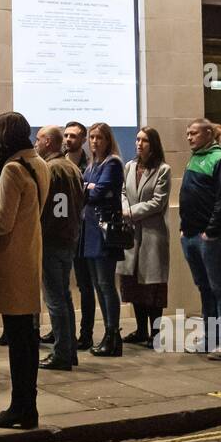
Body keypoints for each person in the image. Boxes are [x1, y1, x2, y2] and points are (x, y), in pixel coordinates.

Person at [0, 112, 49, 429]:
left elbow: (1, 223)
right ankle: (26, 405)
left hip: (11, 259)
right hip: (30, 255)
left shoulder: (11, 169)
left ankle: (20, 407)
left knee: (18, 340)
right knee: (27, 338)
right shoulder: (39, 163)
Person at [179, 118, 221, 359]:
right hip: (191, 234)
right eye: (188, 134)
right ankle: (210, 338)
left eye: (194, 133)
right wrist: (185, 229)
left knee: (220, 288)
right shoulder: (194, 158)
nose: (189, 137)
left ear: (208, 134)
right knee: (205, 288)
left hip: (210, 237)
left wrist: (211, 231)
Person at [35, 125, 83, 369]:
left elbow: (46, 208)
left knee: (55, 299)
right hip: (68, 239)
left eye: (39, 138)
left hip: (52, 239)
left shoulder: (50, 169)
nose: (35, 142)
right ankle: (69, 349)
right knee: (64, 296)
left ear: (48, 142)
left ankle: (62, 352)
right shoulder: (72, 168)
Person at [119, 126, 172, 346]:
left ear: (153, 144)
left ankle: (156, 333)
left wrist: (130, 212)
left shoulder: (163, 170)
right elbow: (123, 191)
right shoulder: (130, 166)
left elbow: (158, 202)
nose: (139, 144)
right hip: (132, 233)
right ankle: (141, 330)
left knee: (153, 285)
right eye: (137, 140)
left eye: (144, 141)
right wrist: (123, 207)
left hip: (152, 233)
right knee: (134, 284)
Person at [77, 122, 126, 356]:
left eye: (99, 138)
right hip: (90, 230)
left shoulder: (113, 163)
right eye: (92, 137)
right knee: (97, 284)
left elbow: (97, 192)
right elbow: (84, 189)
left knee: (106, 284)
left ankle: (113, 333)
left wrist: (89, 187)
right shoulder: (92, 164)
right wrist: (90, 187)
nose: (94, 142)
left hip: (105, 230)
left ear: (108, 140)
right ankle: (108, 332)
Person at [61, 120, 97, 349]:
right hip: (62, 231)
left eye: (73, 136)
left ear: (83, 139)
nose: (68, 139)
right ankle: (62, 331)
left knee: (85, 285)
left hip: (83, 230)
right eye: (65, 135)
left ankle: (86, 333)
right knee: (60, 285)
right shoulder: (56, 162)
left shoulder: (90, 165)